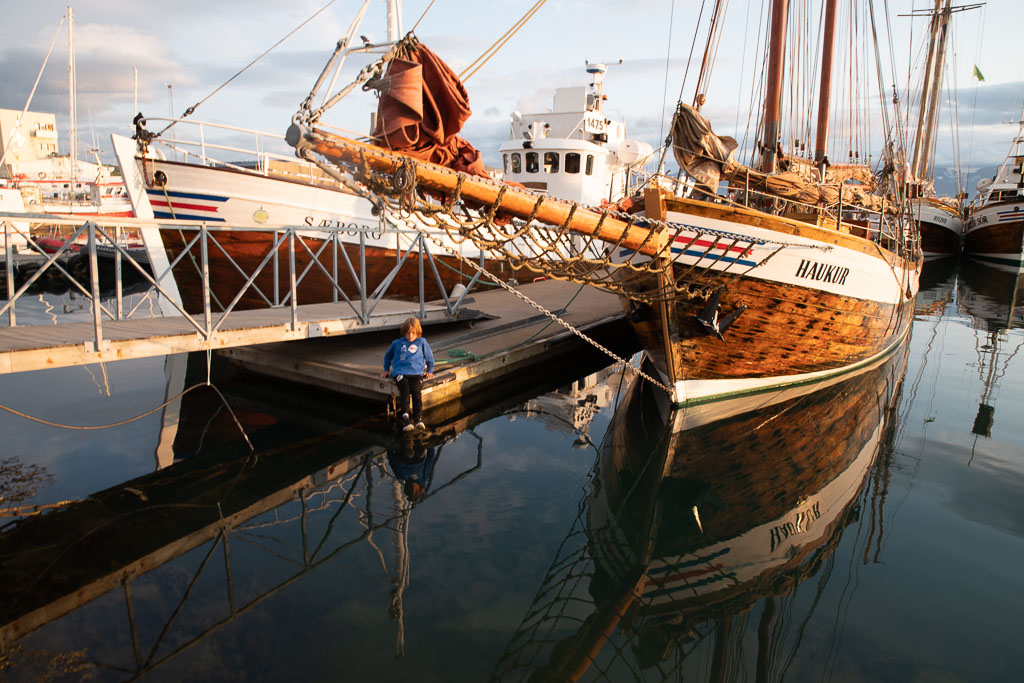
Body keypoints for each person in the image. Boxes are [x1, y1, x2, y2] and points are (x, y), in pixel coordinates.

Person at [381, 317, 435, 431]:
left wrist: (430, 370)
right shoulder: (397, 343)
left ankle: (418, 419)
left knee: (416, 392)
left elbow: (429, 357)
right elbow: (388, 356)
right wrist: (386, 369)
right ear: (404, 332)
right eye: (408, 333)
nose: (410, 335)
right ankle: (405, 418)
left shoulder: (422, 342)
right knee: (404, 389)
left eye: (413, 333)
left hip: (416, 373)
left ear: (417, 332)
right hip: (400, 372)